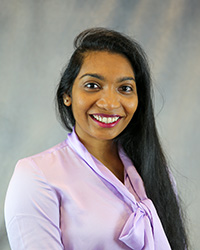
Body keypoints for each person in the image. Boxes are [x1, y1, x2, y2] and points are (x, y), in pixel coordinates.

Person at [4, 28, 188, 250]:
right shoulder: (36, 176)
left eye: (125, 88)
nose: (110, 103)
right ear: (67, 95)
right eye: (92, 85)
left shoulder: (156, 172)